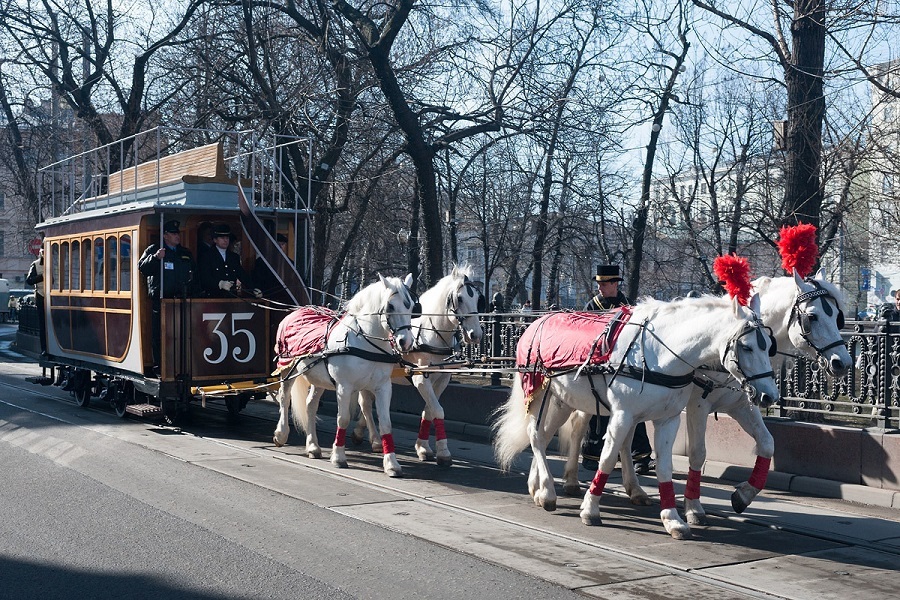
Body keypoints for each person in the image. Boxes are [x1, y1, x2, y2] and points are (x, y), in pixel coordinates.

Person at [581, 264, 655, 475]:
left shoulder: (630, 306)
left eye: (604, 284)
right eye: (599, 284)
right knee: (598, 414)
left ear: (615, 284)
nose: (600, 288)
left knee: (634, 412)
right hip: (600, 366)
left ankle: (641, 457)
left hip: (624, 367)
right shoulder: (592, 306)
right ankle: (592, 457)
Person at [138, 219, 197, 375]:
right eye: (173, 233)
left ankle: (182, 366)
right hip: (162, 300)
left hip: (181, 300)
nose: (177, 236)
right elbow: (142, 268)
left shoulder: (185, 253)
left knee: (182, 334)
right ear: (165, 236)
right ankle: (160, 366)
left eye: (178, 233)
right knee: (161, 335)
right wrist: (156, 258)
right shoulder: (155, 249)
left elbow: (194, 274)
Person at [199, 223, 261, 298]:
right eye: (222, 238)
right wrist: (219, 284)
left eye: (227, 238)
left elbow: (242, 275)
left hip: (231, 298)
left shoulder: (234, 257)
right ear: (215, 240)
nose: (225, 240)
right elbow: (204, 278)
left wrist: (253, 289)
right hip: (213, 297)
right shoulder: (207, 256)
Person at [25, 248, 46, 354]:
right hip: (41, 296)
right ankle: (44, 349)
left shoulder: (56, 262)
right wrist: (41, 277)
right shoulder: (36, 264)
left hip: (54, 296)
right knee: (43, 324)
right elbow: (29, 280)